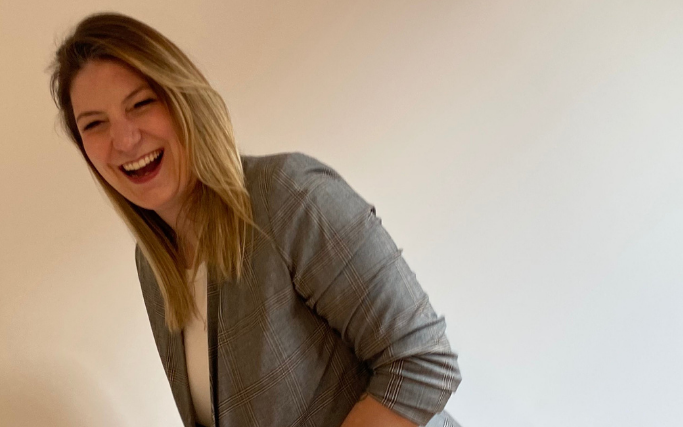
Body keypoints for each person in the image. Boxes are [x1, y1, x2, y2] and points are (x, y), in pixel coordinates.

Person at [49, 12, 461, 427]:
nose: (123, 139)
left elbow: (422, 363)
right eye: (94, 124)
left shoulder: (288, 196)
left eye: (140, 104)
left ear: (183, 100)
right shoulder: (153, 261)